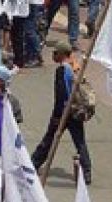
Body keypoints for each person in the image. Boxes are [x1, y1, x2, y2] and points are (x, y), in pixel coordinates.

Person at [31, 43, 91, 185]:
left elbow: (61, 94)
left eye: (56, 52)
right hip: (75, 110)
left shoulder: (62, 70)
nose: (54, 55)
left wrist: (57, 116)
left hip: (63, 112)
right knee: (80, 142)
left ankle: (34, 162)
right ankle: (87, 171)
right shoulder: (75, 68)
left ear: (62, 54)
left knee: (49, 139)